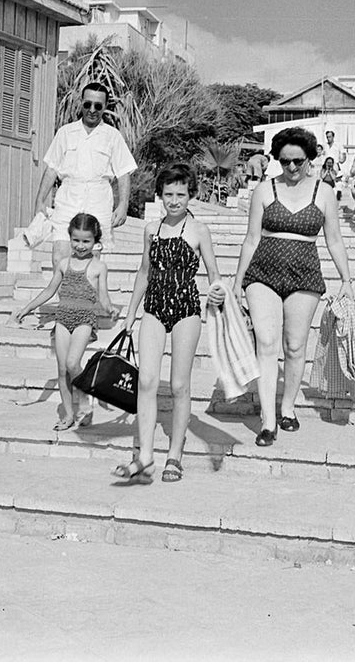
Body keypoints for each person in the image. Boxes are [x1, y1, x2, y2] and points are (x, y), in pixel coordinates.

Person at [233, 127, 353, 446]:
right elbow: (251, 239)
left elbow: (335, 240)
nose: (291, 168)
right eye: (285, 161)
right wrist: (236, 282)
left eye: (298, 161)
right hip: (263, 272)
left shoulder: (323, 192)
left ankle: (288, 407)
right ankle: (268, 421)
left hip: (304, 272)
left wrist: (346, 280)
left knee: (296, 346)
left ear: (309, 159)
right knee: (267, 343)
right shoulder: (264, 190)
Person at [115, 164, 225, 484]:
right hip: (153, 307)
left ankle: (174, 453)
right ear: (160, 196)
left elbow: (214, 274)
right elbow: (144, 272)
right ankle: (146, 455)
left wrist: (217, 296)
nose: (174, 200)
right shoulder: (151, 228)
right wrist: (131, 314)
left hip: (186, 309)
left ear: (191, 195)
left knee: (179, 385)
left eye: (180, 194)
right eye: (168, 194)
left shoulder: (199, 230)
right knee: (147, 382)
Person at [9, 213, 115, 430]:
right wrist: (27, 308)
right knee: (61, 370)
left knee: (72, 363)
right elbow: (50, 290)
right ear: (70, 238)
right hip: (63, 317)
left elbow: (103, 297)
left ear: (96, 241)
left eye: (86, 241)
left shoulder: (98, 267)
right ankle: (68, 414)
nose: (81, 245)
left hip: (85, 319)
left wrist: (110, 309)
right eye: (76, 240)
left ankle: (85, 401)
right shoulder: (64, 264)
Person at [34, 83, 137, 266]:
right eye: (87, 104)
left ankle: (87, 295)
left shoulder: (112, 136)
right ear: (81, 103)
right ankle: (61, 295)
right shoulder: (65, 133)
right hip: (68, 198)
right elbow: (52, 169)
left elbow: (123, 173)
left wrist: (123, 205)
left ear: (105, 107)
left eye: (98, 106)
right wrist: (40, 201)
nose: (92, 110)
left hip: (98, 201)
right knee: (60, 256)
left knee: (91, 263)